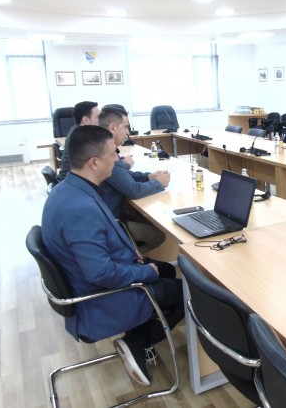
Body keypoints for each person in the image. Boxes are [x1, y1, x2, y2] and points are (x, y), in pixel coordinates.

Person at [42, 125, 184, 387]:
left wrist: (131, 252)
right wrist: (145, 271)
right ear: (94, 163)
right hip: (100, 300)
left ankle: (138, 334)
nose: (118, 158)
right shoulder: (79, 208)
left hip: (90, 279)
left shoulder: (70, 189)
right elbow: (100, 273)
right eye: (113, 154)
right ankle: (138, 340)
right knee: (188, 292)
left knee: (166, 269)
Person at [98, 106, 169, 254]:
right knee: (160, 234)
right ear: (112, 128)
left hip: (110, 213)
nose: (128, 132)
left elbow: (123, 173)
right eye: (125, 127)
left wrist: (147, 177)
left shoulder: (103, 147)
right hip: (111, 221)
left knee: (149, 218)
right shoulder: (106, 153)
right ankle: (129, 258)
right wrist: (158, 183)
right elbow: (134, 191)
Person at [57, 101, 100, 181]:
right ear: (86, 120)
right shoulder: (80, 138)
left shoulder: (78, 130)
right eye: (98, 117)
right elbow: (98, 164)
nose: (100, 120)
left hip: (73, 178)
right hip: (71, 182)